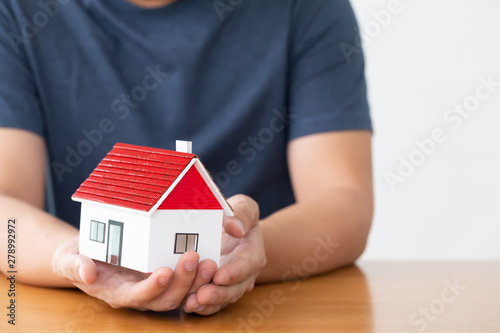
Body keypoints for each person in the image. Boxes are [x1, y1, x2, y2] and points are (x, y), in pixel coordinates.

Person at [0, 0, 373, 315]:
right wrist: (67, 259)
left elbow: (345, 201)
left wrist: (255, 252)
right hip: (86, 314)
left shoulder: (306, 8)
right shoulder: (16, 11)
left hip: (268, 310)